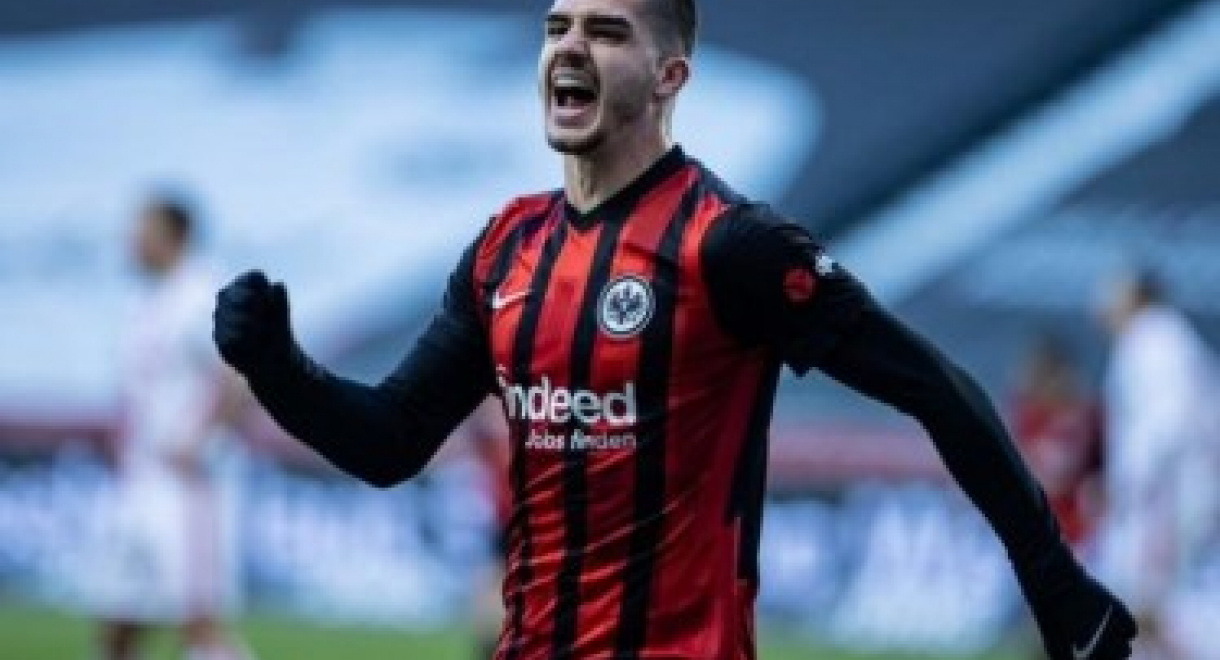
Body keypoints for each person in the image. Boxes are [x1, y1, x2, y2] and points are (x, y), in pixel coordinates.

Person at [212, 1, 1137, 657]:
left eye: (607, 32)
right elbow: (390, 442)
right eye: (558, 27)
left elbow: (934, 388)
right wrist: (278, 367)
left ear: (670, 76)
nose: (570, 47)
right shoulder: (504, 249)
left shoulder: (729, 245)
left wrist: (1051, 578)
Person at [99, 195, 255, 660]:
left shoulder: (201, 296)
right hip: (139, 478)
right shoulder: (145, 300)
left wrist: (203, 440)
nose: (131, 241)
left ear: (173, 236)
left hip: (185, 484)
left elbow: (238, 375)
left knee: (198, 621)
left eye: (142, 231)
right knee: (118, 620)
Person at [1095, 267, 1220, 660]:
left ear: (1136, 295)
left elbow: (1169, 422)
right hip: (1172, 488)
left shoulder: (1154, 340)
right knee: (1151, 597)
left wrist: (1131, 483)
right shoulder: (1164, 338)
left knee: (1147, 595)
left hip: (1166, 492)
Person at [1011, 334, 1104, 552]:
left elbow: (1060, 475)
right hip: (1039, 533)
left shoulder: (1085, 417)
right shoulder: (1028, 416)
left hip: (1081, 535)